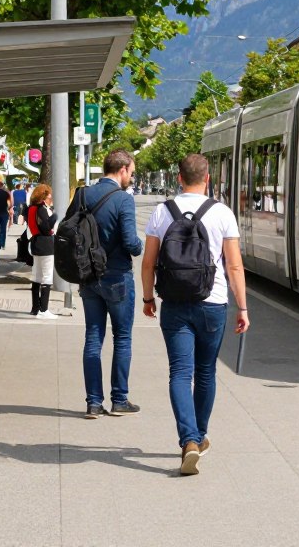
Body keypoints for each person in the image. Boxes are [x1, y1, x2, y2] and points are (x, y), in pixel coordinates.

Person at [141, 153, 249, 475]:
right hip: (213, 303)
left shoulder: (162, 212)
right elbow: (234, 266)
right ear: (208, 178)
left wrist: (148, 298)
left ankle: (188, 439)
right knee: (205, 373)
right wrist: (242, 306)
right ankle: (198, 436)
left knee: (179, 372)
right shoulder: (222, 213)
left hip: (173, 303)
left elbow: (148, 262)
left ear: (178, 178)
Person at [67, 150, 142, 419]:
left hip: (88, 276)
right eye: (131, 172)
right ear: (121, 169)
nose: (131, 177)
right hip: (117, 276)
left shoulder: (83, 194)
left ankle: (93, 403)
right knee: (122, 337)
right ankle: (119, 399)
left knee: (93, 337)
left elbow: (69, 229)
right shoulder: (123, 199)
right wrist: (142, 246)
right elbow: (132, 243)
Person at [26, 185, 58, 319]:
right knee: (47, 276)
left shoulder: (31, 208)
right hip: (46, 244)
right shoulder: (41, 209)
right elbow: (46, 227)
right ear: (44, 196)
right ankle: (44, 310)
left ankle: (35, 308)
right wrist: (54, 217)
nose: (51, 197)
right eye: (49, 194)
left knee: (36, 276)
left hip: (35, 243)